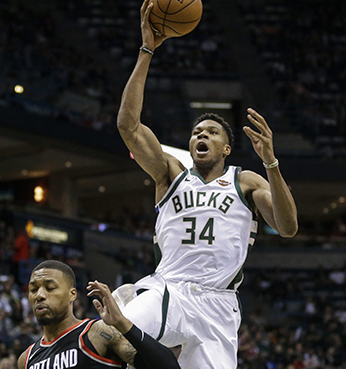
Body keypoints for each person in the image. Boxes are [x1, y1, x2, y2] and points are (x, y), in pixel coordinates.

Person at [114, 1, 298, 368]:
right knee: (114, 335)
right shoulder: (171, 173)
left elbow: (288, 226)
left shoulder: (244, 181)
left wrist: (271, 163)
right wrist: (147, 50)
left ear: (226, 147)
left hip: (218, 305)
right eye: (196, 132)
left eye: (211, 132)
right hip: (170, 289)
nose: (201, 135)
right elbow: (127, 126)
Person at [17, 260, 181, 369]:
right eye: (33, 289)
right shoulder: (26, 359)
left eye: (50, 288)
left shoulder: (98, 333)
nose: (39, 295)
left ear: (72, 294)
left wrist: (122, 323)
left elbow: (169, 367)